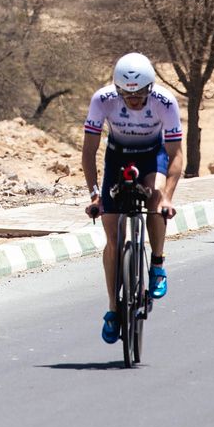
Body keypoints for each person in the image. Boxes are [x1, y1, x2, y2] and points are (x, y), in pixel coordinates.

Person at [82, 52, 184, 345]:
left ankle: (157, 263)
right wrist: (95, 195)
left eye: (139, 94)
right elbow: (89, 151)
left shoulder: (165, 102)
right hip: (117, 158)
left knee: (155, 197)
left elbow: (176, 154)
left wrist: (168, 198)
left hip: (152, 157)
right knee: (113, 240)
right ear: (117, 89)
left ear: (150, 88)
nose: (134, 100)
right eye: (127, 95)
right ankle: (113, 309)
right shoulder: (102, 100)